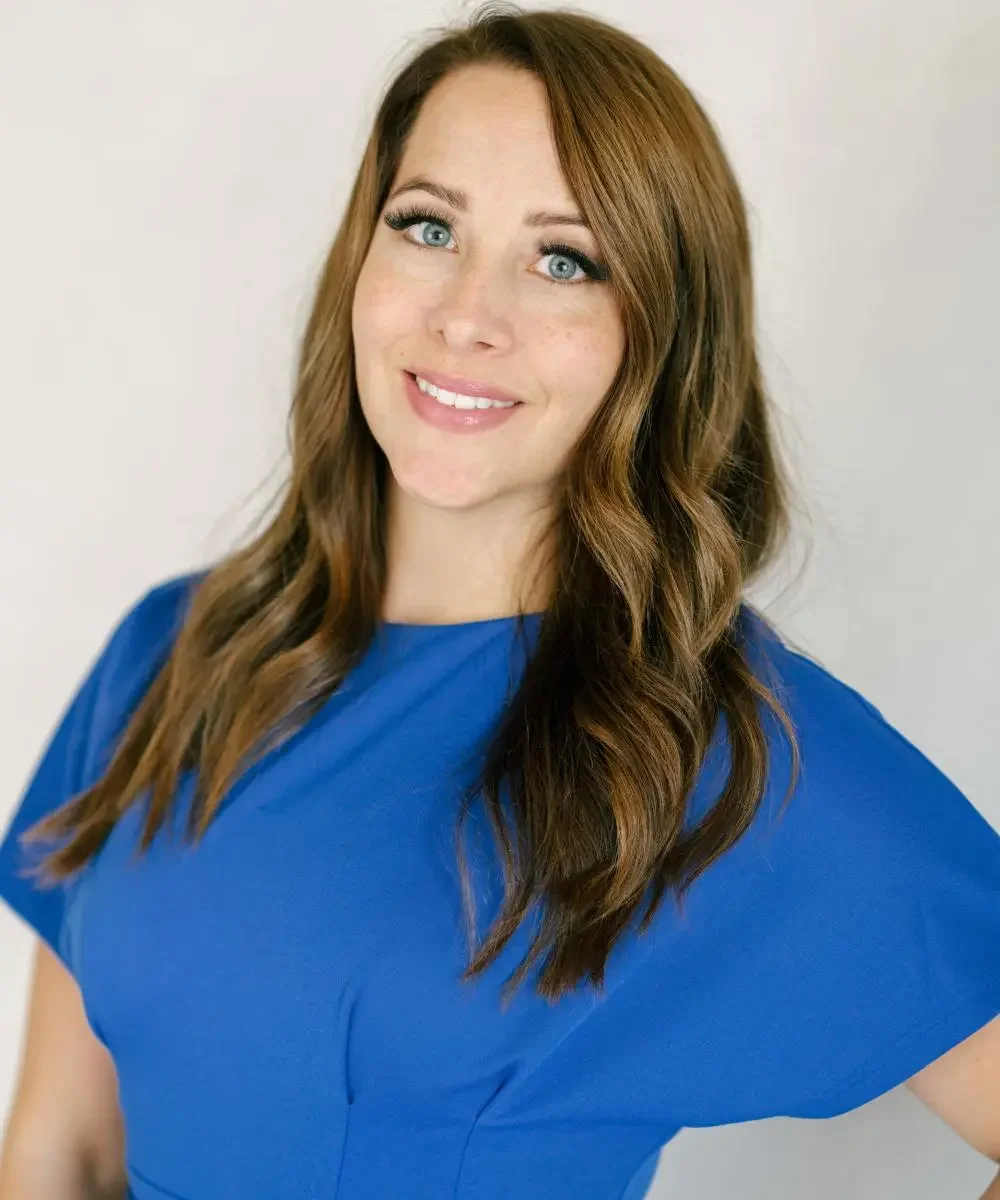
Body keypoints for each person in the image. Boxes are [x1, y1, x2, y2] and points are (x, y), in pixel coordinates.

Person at [2, 5, 999, 1199]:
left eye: (563, 258)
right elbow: (63, 1153)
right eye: (427, 227)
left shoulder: (732, 751)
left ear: (660, 335)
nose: (466, 315)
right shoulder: (175, 652)